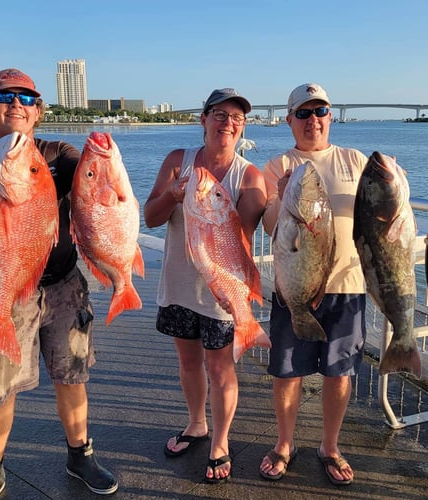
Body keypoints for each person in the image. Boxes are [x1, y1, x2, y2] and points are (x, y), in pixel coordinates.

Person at [0, 68, 118, 499]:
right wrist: (1, 155)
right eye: (5, 96)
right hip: (4, 290)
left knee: (72, 375)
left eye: (27, 99)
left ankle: (80, 455)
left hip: (64, 282)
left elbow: (91, 178)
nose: (16, 104)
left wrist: (103, 158)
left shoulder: (56, 152)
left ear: (37, 113)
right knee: (0, 387)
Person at [144, 88, 266, 484]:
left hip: (220, 289)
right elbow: (150, 217)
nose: (227, 123)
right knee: (188, 362)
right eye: (219, 114)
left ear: (243, 126)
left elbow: (243, 236)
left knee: (220, 367)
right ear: (203, 120)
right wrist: (174, 195)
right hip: (179, 284)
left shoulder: (248, 176)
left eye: (236, 117)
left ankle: (221, 441)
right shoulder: (178, 161)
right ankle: (196, 424)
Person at [258, 83, 368, 485]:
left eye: (319, 111)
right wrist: (281, 199)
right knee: (287, 372)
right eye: (302, 113)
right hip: (294, 287)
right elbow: (271, 228)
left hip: (347, 285)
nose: (312, 120)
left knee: (340, 373)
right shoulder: (276, 167)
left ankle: (330, 446)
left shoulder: (355, 160)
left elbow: (380, 211)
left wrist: (395, 183)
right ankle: (284, 443)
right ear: (289, 120)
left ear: (330, 116)